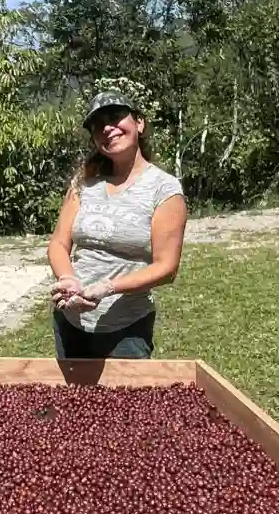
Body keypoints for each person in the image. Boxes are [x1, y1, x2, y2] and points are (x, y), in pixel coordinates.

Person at [45, 91, 188, 360]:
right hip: (70, 321)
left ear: (139, 123)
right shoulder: (84, 183)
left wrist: (107, 288)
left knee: (126, 402)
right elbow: (58, 243)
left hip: (125, 330)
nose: (107, 128)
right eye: (98, 125)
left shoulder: (164, 190)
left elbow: (166, 268)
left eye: (115, 118)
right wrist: (68, 279)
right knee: (73, 402)